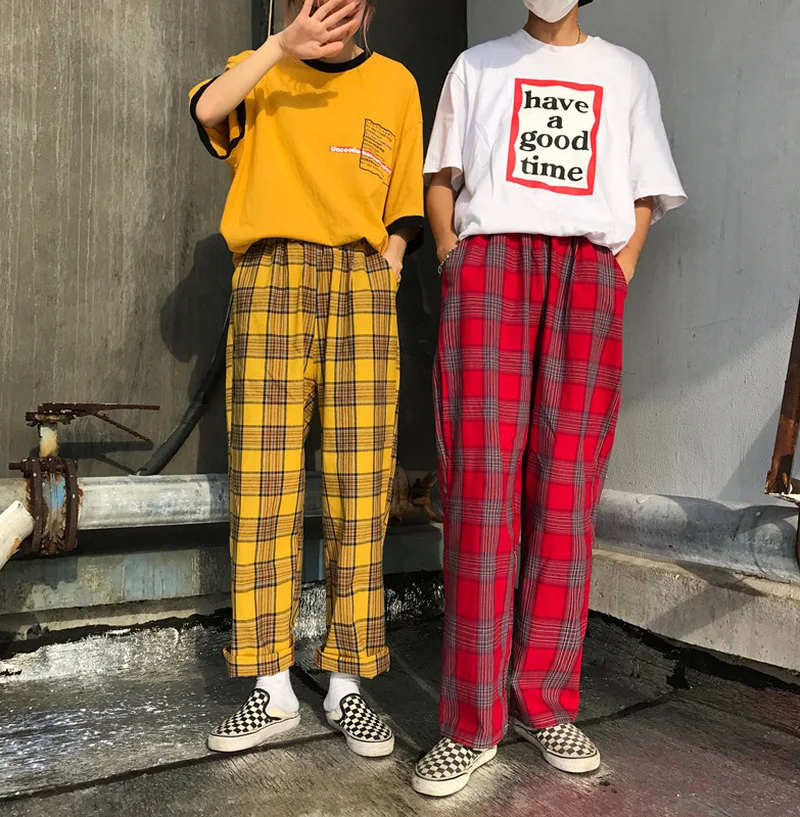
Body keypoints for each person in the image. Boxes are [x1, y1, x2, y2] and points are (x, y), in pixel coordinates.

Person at [414, 0, 685, 797]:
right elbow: (441, 176)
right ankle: (470, 722)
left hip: (585, 275)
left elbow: (643, 190)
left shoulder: (625, 71)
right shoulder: (477, 65)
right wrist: (451, 254)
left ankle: (545, 699)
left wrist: (618, 272)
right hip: (492, 268)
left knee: (565, 495)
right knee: (482, 493)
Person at [188, 0, 424, 758]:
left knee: (362, 482)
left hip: (361, 279)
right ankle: (272, 685)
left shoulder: (395, 82)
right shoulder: (262, 68)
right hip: (271, 274)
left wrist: (388, 265)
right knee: (264, 481)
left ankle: (349, 682)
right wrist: (279, 47)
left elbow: (406, 203)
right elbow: (206, 110)